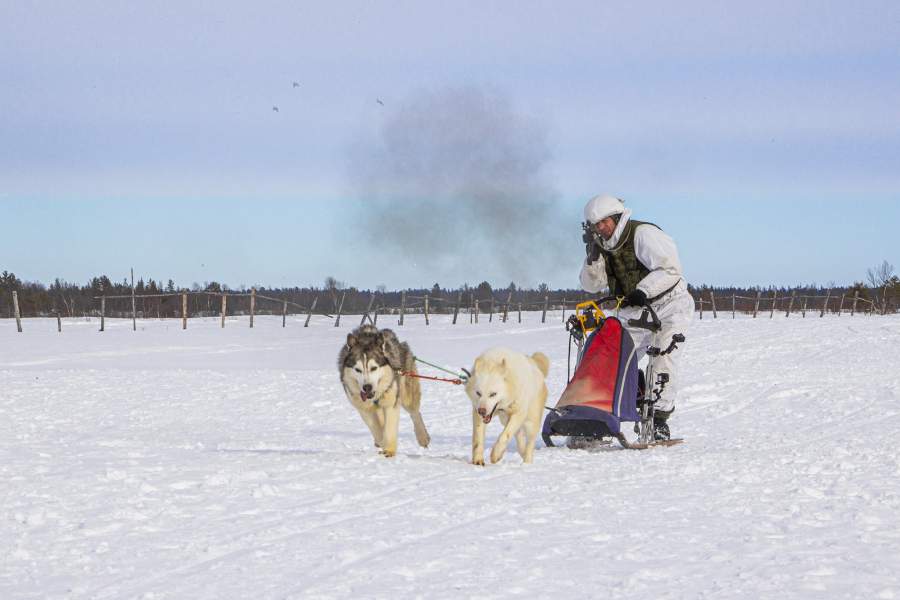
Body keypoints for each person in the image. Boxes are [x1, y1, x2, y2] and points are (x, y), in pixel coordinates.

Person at [579, 195, 694, 440]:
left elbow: (671, 269)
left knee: (664, 357)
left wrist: (643, 290)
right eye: (596, 225)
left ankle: (659, 420)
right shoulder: (602, 246)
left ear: (617, 218)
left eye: (604, 222)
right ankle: (601, 417)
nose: (601, 228)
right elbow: (592, 285)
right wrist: (593, 257)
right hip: (633, 311)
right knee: (613, 360)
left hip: (670, 304)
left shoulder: (642, 234)